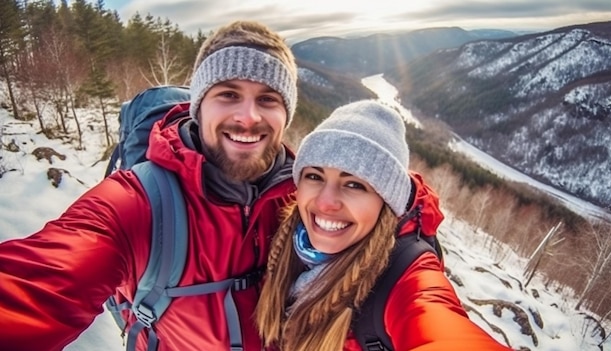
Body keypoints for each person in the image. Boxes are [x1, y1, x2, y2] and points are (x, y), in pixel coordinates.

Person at [0, 21, 298, 351]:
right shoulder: (137, 203)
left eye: (268, 99)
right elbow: (33, 288)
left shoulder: (308, 199)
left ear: (287, 114)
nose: (248, 117)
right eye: (228, 94)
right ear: (199, 107)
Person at [255, 100, 512, 351]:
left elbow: (435, 323)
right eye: (314, 176)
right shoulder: (276, 228)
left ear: (385, 203)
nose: (325, 202)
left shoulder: (404, 278)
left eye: (354, 184)